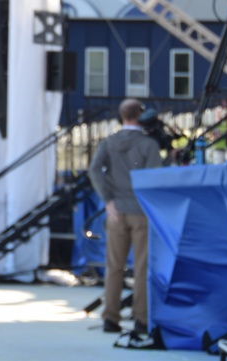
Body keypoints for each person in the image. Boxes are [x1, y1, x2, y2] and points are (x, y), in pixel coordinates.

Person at [88, 98, 162, 336]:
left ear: (122, 116)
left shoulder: (109, 142)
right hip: (142, 211)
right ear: (140, 116)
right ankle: (141, 319)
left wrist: (108, 200)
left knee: (114, 267)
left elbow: (94, 169)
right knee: (142, 267)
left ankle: (110, 317)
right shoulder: (148, 145)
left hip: (116, 210)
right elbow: (155, 177)